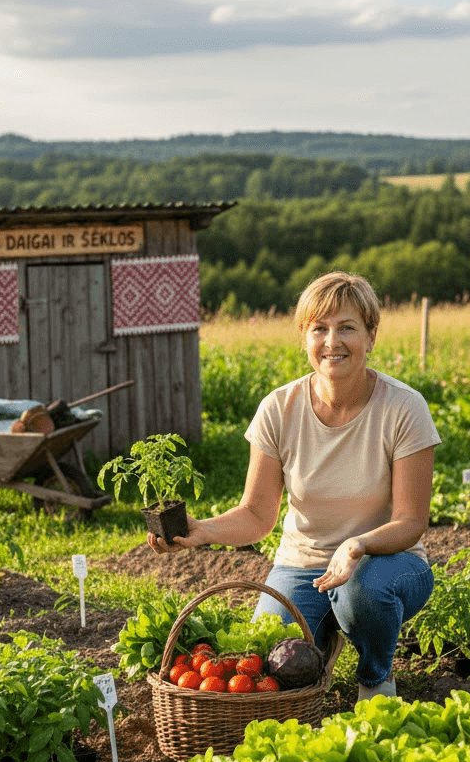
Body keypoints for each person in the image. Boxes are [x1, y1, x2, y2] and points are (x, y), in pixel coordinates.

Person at [147, 271, 440, 701]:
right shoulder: (279, 409)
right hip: (304, 567)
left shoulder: (403, 407)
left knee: (360, 590)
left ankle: (375, 679)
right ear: (305, 337)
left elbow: (411, 521)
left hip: (386, 563)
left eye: (347, 328)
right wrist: (201, 530)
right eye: (319, 328)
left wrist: (357, 545)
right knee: (271, 661)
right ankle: (323, 639)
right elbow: (256, 515)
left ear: (371, 336)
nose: (332, 341)